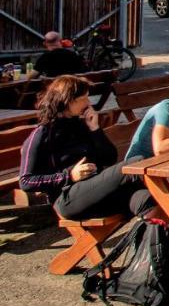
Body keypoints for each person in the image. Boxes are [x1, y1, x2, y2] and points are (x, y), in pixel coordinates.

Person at [18, 75, 151, 220]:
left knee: (147, 199)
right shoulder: (41, 134)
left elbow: (109, 158)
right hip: (68, 198)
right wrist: (69, 176)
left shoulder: (80, 125)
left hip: (96, 190)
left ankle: (154, 242)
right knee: (136, 163)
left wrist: (95, 129)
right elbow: (26, 181)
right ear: (66, 100)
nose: (88, 103)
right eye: (83, 98)